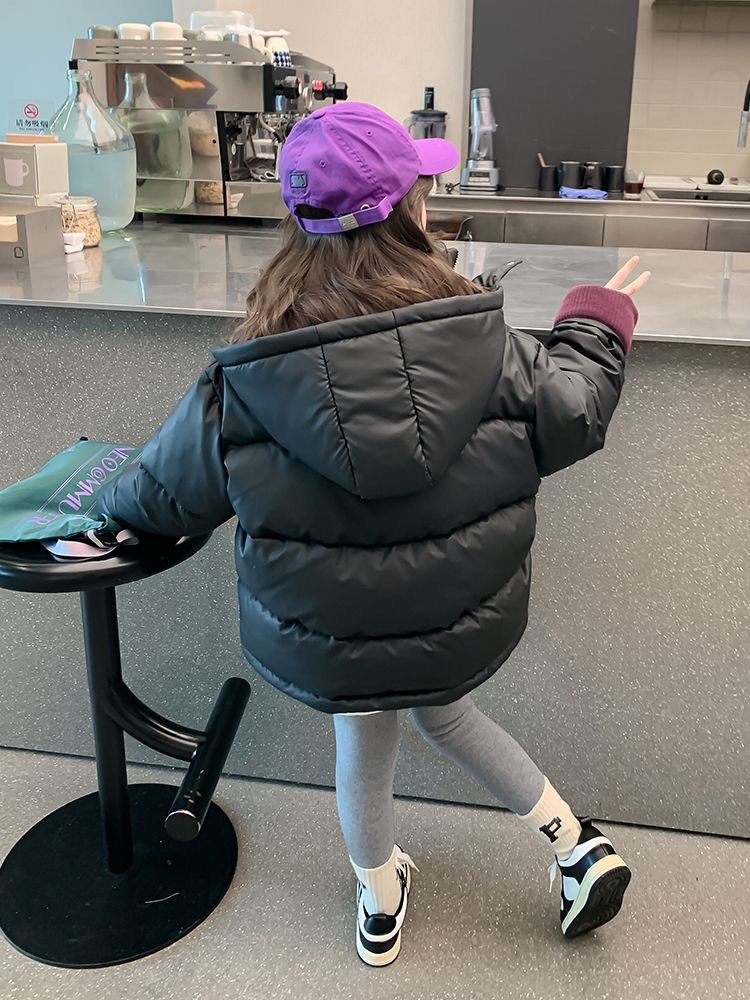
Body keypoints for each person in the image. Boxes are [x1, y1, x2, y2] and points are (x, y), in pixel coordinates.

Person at [99, 101, 651, 968]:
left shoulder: (245, 376)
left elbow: (161, 498)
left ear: (296, 222)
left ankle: (380, 906)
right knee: (448, 713)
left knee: (362, 744)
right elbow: (577, 410)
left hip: (336, 639)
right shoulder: (487, 341)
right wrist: (595, 318)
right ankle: (574, 846)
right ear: (410, 210)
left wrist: (99, 500)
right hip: (454, 617)